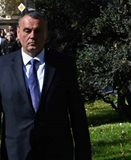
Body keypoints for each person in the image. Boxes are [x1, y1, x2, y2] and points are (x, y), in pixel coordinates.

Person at [0, 10, 91, 160]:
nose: (32, 36)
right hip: (16, 153)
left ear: (46, 33)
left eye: (38, 31)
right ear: (18, 32)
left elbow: (77, 115)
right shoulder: (2, 67)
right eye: (27, 31)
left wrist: (83, 155)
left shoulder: (63, 66)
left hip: (56, 152)